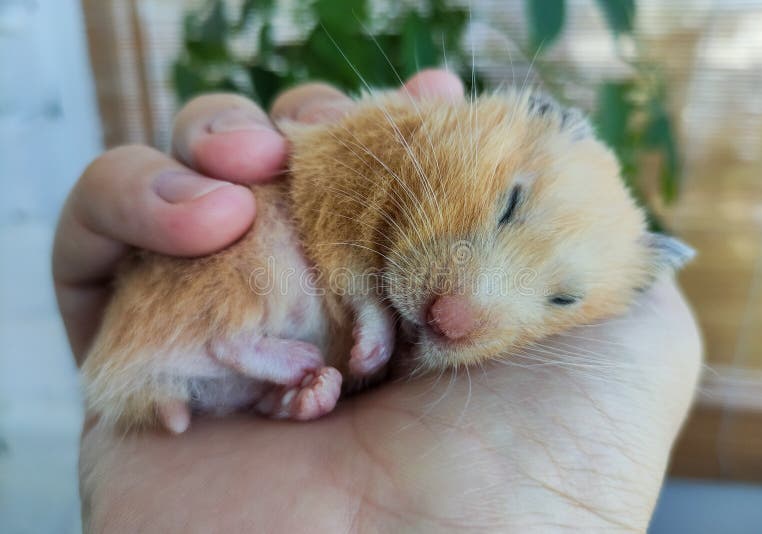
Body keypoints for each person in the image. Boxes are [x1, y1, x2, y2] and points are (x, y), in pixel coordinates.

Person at [53, 69, 701, 532]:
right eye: (508, 208)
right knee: (259, 231)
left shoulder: (615, 289)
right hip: (201, 340)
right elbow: (320, 201)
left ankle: (233, 362)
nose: (458, 311)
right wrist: (364, 299)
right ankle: (221, 344)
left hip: (236, 394)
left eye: (560, 299)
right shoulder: (390, 136)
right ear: (522, 114)